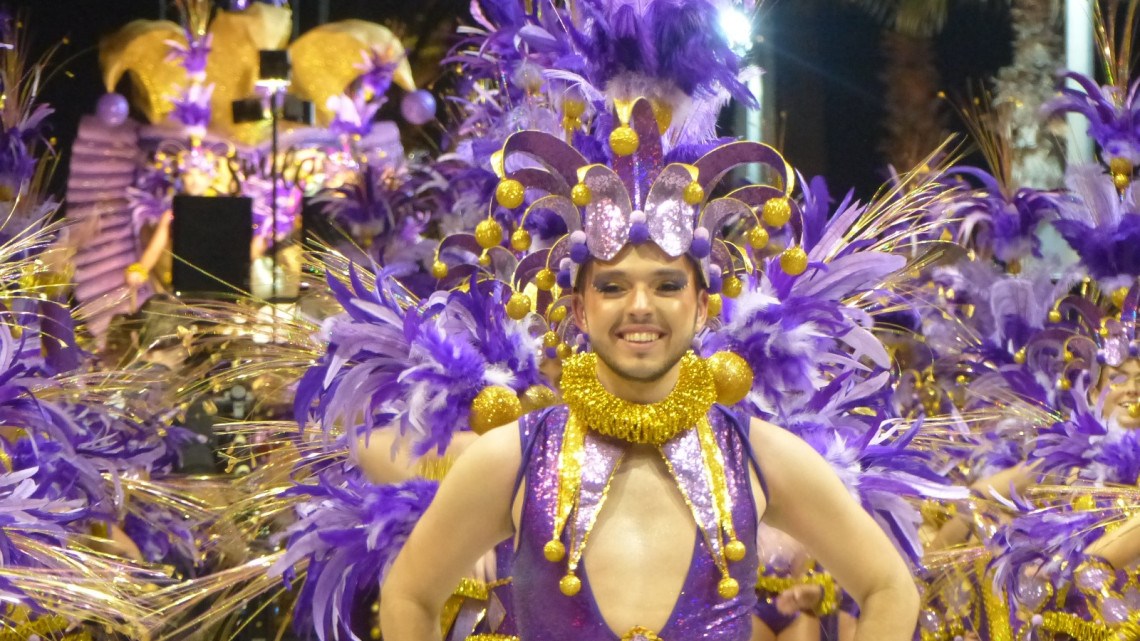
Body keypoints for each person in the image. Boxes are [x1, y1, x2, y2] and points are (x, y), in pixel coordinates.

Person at [380, 236, 919, 640]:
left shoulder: (763, 456)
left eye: (667, 284)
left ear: (703, 307)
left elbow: (889, 587)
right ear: (579, 311)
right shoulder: (512, 458)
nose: (640, 305)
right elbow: (409, 593)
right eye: (613, 286)